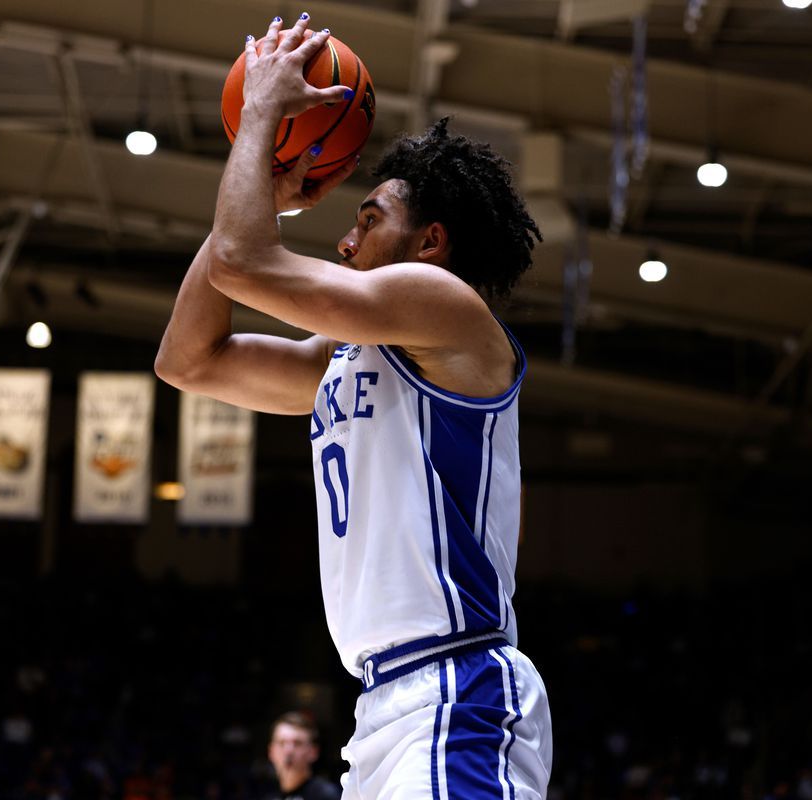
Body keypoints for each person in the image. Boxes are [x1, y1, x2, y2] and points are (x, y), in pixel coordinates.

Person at [155, 13, 553, 798]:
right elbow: (188, 360)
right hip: (384, 706)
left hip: (458, 687)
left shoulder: (444, 307)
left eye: (368, 221)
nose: (344, 239)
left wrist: (265, 115)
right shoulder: (342, 360)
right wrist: (263, 185)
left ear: (431, 242)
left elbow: (245, 259)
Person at [264, 712, 341, 800]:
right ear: (271, 752)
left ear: (313, 752)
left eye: (297, 743)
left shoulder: (327, 795)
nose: (288, 751)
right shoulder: (267, 796)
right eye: (282, 743)